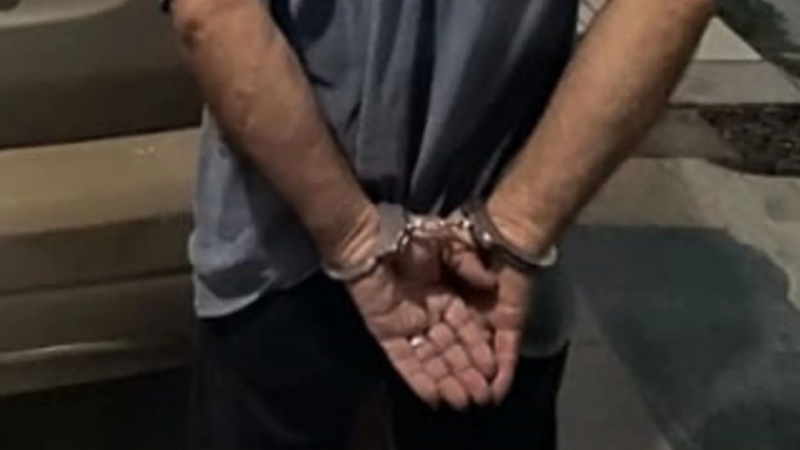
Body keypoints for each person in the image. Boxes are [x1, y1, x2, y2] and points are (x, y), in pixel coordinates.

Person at [165, 0, 714, 448]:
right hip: (489, 261)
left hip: (283, 227)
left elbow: (212, 14)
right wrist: (519, 224)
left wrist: (353, 235)